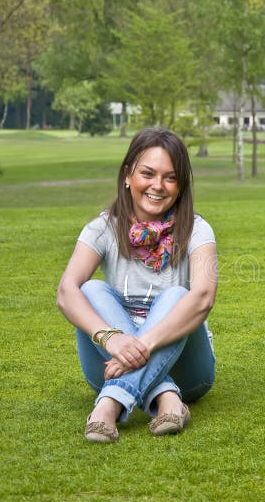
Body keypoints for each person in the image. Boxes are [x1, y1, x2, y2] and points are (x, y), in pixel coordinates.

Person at [57, 127, 217, 443]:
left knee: (178, 295)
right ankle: (167, 399)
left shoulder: (197, 229)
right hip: (110, 360)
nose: (158, 186)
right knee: (89, 290)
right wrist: (111, 338)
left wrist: (142, 345)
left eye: (170, 177)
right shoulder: (103, 227)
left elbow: (203, 298)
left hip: (188, 370)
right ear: (128, 174)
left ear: (181, 186)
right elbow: (66, 291)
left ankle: (107, 405)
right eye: (148, 173)